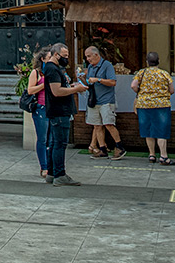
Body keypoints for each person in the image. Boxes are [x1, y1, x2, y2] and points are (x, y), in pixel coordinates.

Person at [34, 43, 87, 185]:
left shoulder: (52, 69)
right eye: (65, 56)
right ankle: (60, 174)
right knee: (59, 144)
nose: (66, 58)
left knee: (54, 143)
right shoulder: (52, 69)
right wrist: (76, 90)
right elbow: (56, 91)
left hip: (58, 111)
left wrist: (72, 87)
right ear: (56, 55)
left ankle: (52, 173)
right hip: (59, 112)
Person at [132, 51, 175, 165]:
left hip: (144, 105)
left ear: (147, 62)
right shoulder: (164, 74)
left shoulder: (141, 73)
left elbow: (133, 85)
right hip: (162, 105)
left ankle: (152, 154)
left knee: (148, 130)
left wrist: (141, 93)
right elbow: (172, 90)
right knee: (161, 131)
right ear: (158, 61)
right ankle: (163, 156)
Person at [80, 45, 121, 159]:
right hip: (94, 101)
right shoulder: (90, 67)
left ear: (96, 55)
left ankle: (119, 147)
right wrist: (82, 78)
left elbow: (113, 82)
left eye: (89, 56)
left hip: (106, 101)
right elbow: (89, 83)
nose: (87, 59)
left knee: (108, 124)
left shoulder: (107, 65)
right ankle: (102, 149)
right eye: (86, 57)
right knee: (97, 126)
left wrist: (98, 79)